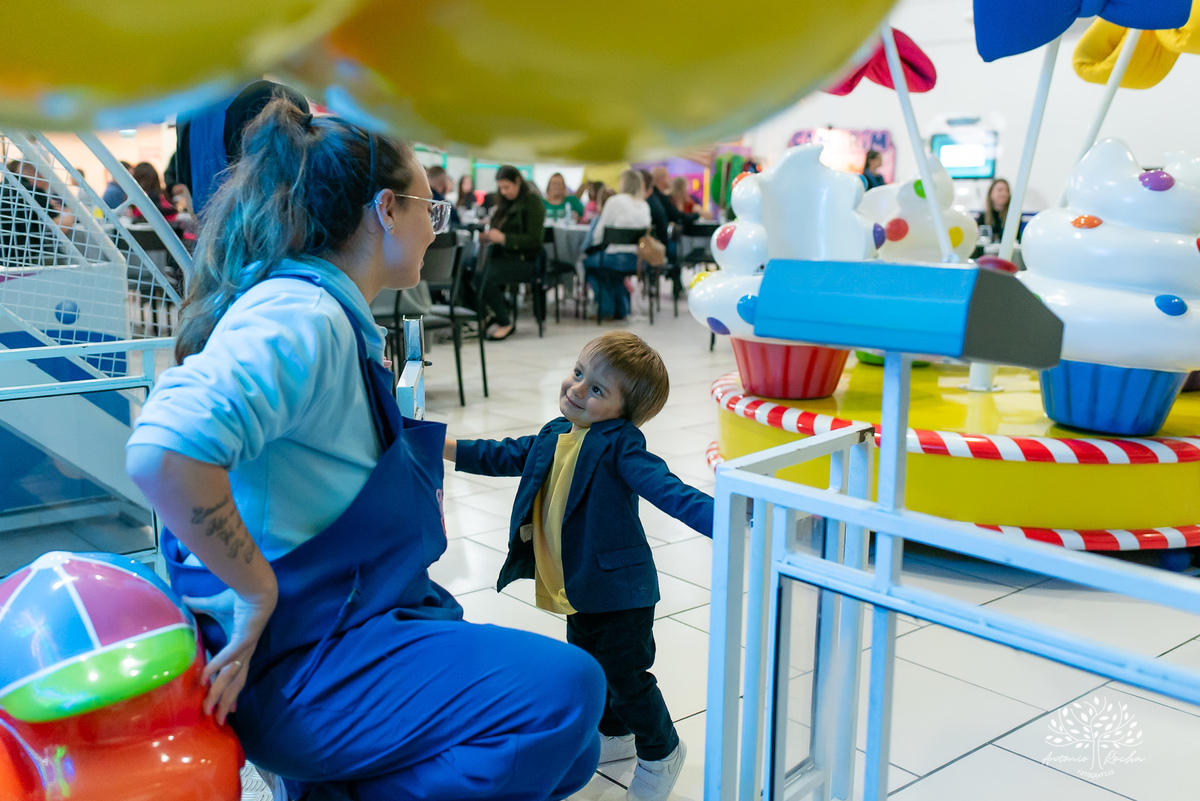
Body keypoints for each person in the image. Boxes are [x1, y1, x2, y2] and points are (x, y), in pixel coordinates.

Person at [124, 98, 605, 801]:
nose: (433, 225)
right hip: (297, 664)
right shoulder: (304, 314)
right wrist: (256, 590)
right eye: (428, 206)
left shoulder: (323, 309)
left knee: (575, 752)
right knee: (568, 691)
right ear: (386, 209)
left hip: (343, 625)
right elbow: (163, 449)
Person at [444, 331, 714, 801]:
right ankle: (616, 735)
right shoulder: (556, 432)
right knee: (594, 664)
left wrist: (729, 517)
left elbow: (669, 490)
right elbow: (501, 453)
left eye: (597, 390)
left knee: (628, 678)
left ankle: (662, 749)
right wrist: (436, 444)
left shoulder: (620, 445)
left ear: (623, 413)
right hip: (580, 585)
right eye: (578, 373)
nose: (576, 389)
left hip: (620, 593)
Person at [175, 79, 310, 214]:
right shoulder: (273, 96)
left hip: (212, 230)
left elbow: (190, 198)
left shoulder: (186, 113)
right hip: (276, 226)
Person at [476, 165, 545, 341]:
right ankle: (488, 314)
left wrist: (504, 239)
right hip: (504, 257)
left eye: (507, 187)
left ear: (518, 182)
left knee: (485, 275)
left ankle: (504, 321)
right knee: (466, 268)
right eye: (501, 188)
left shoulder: (533, 203)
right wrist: (491, 236)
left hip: (525, 260)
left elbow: (534, 240)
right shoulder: (504, 204)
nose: (503, 191)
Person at [584, 170, 650, 320]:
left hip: (616, 258)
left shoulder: (615, 201)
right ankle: (621, 309)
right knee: (614, 274)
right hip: (638, 261)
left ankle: (606, 309)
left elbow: (598, 235)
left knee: (589, 264)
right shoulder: (644, 205)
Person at [977, 177, 1013, 241]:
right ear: (991, 193)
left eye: (1007, 190)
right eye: (1000, 190)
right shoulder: (982, 217)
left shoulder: (1013, 217)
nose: (1004, 193)